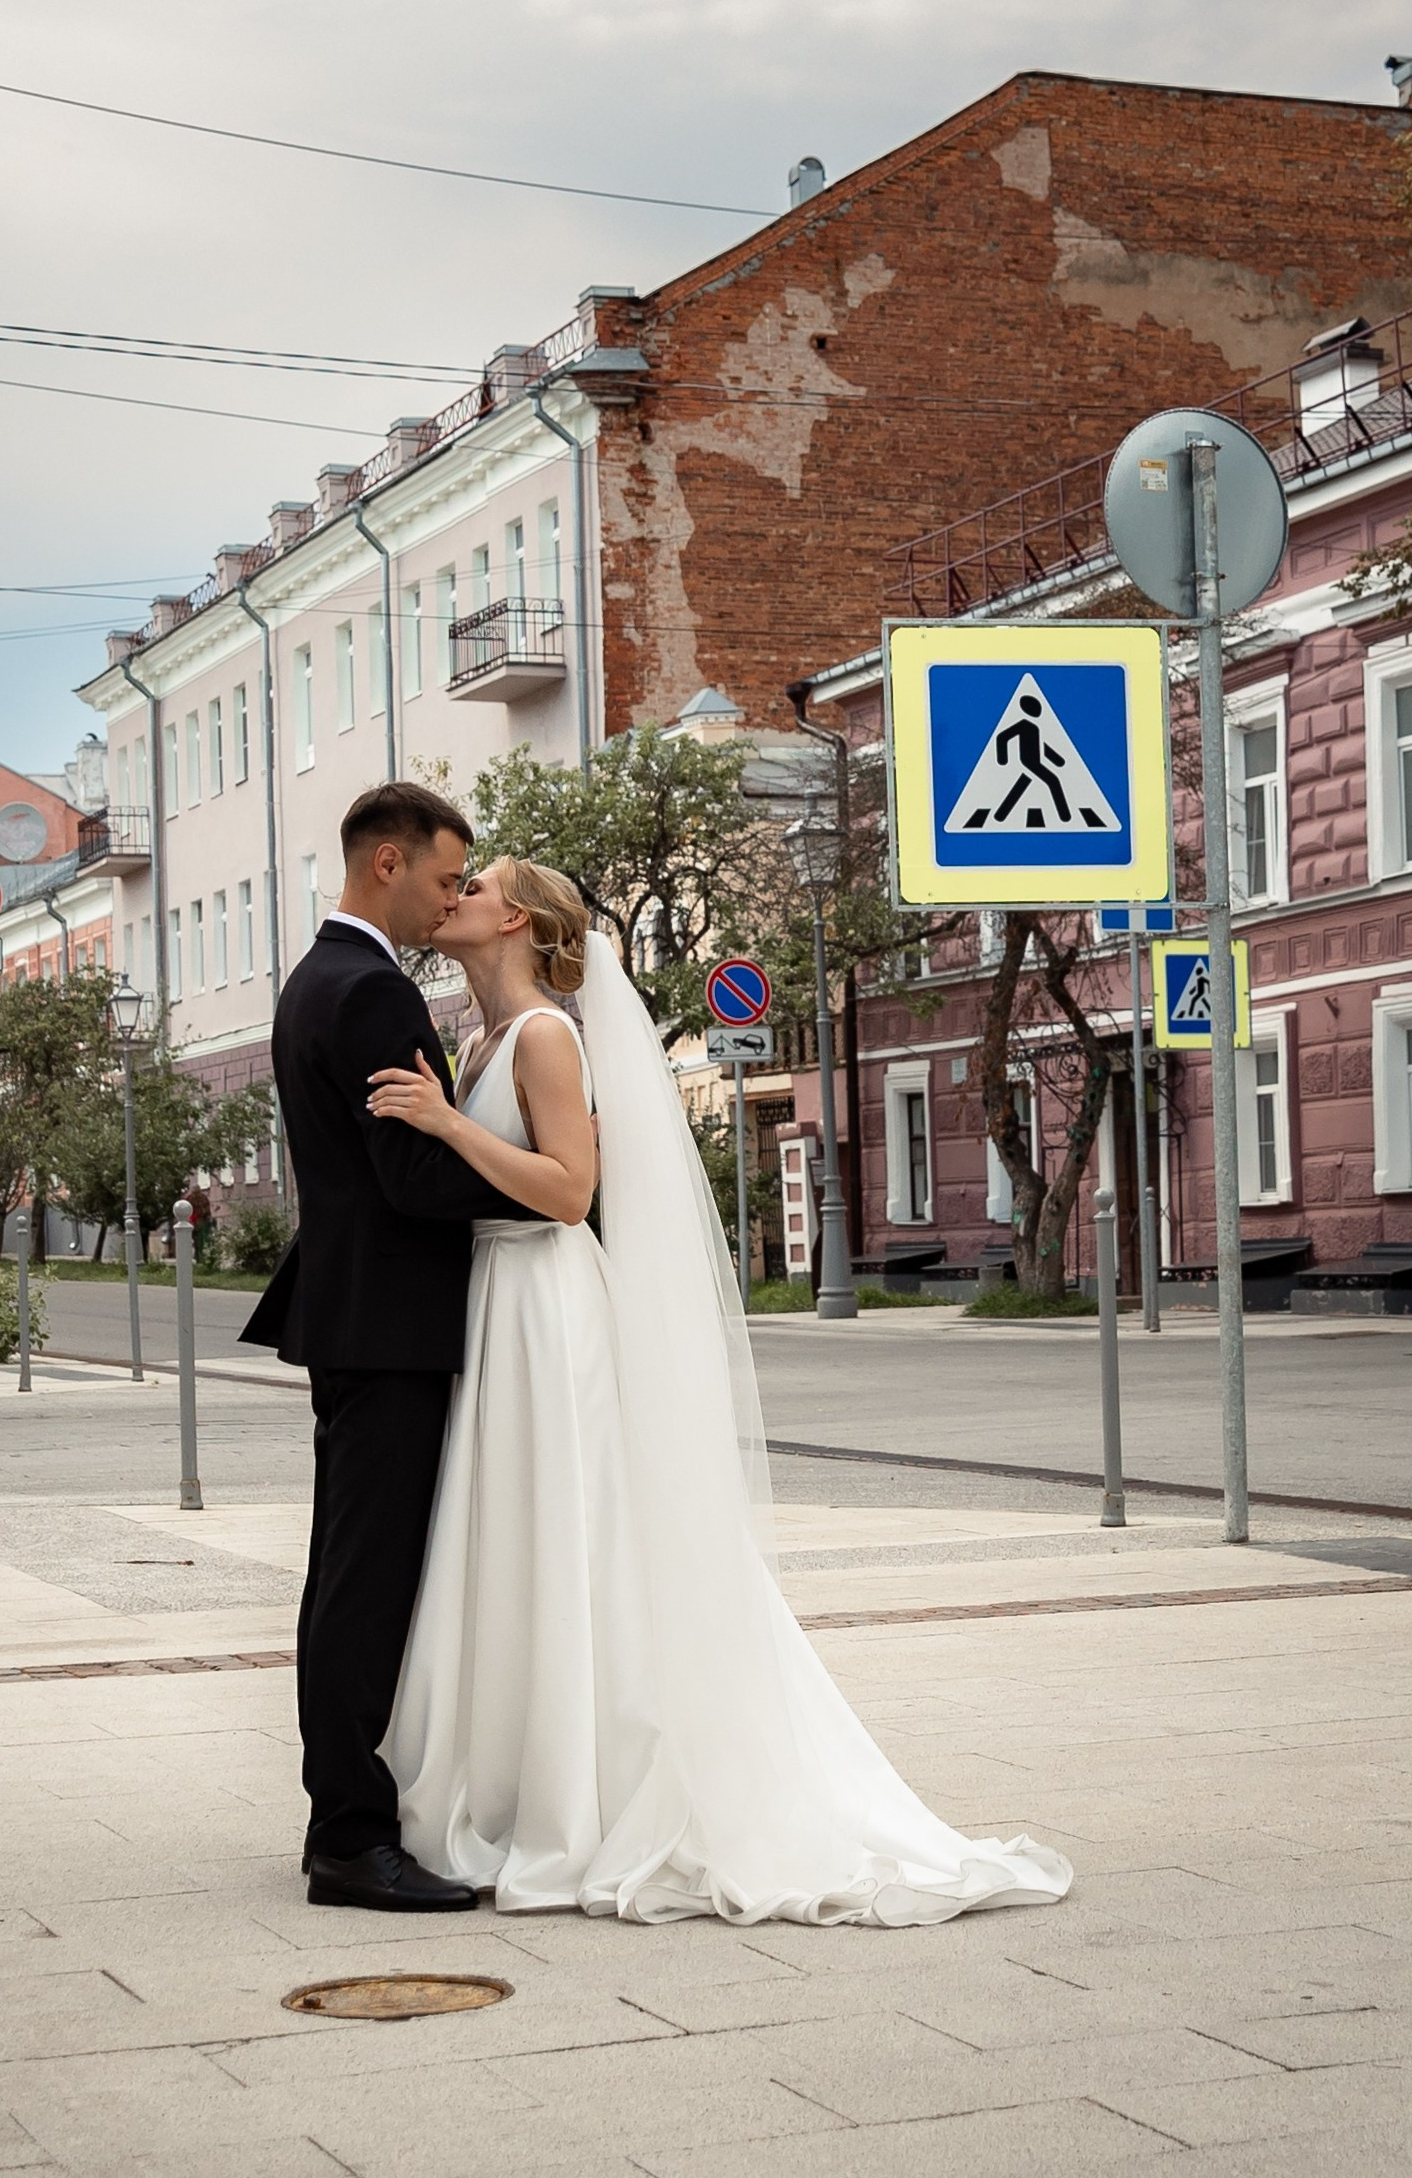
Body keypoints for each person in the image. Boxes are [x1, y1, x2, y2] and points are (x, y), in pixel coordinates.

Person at [366, 855, 1074, 1927]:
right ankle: (520, 1778)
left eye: (472, 885)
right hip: (498, 1301)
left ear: (512, 916)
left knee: (576, 1527)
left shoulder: (549, 1035)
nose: (450, 893)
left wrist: (446, 1123)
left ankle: (591, 1788)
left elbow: (569, 1189)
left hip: (549, 1302)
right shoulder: (479, 1037)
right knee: (523, 1534)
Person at [241, 779, 545, 1914]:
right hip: (388, 1325)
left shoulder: (321, 976)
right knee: (365, 1584)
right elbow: (411, 1177)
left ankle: (353, 1817)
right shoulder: (371, 992)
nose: (449, 896)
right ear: (386, 862)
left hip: (360, 1319)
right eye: (441, 875)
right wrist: (564, 1202)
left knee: (351, 1576)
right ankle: (350, 1837)